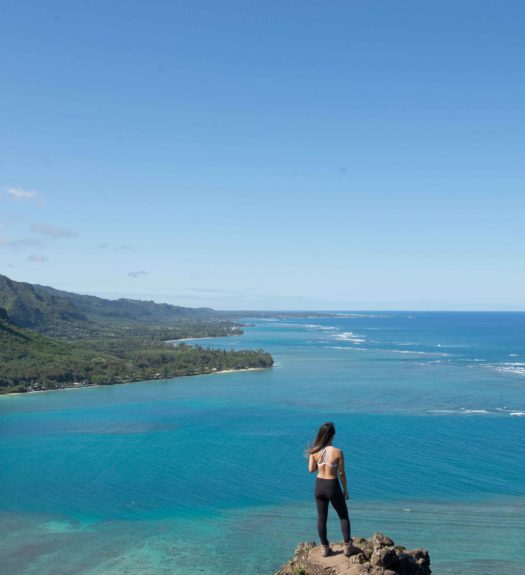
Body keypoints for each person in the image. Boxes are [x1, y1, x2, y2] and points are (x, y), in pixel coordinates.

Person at [306, 422, 359, 557]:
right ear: (332, 435)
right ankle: (348, 547)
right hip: (332, 486)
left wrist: (315, 456)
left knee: (321, 518)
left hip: (319, 486)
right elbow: (341, 473)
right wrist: (345, 490)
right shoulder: (338, 452)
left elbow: (311, 470)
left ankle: (325, 548)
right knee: (343, 516)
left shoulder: (314, 451)